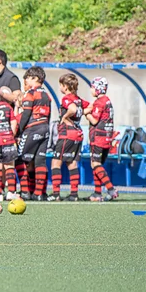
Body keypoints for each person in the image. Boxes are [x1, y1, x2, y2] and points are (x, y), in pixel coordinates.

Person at [16, 67, 52, 201]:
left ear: (35, 78)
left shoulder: (31, 93)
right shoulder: (47, 95)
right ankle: (38, 193)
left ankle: (25, 191)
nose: (26, 81)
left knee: (20, 159)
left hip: (32, 129)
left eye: (28, 78)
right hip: (45, 128)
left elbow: (26, 114)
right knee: (39, 161)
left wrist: (19, 131)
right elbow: (49, 114)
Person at [50, 74, 86, 202]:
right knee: (72, 163)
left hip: (67, 134)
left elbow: (72, 109)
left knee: (56, 162)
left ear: (65, 87)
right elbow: (90, 107)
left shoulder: (67, 98)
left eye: (61, 85)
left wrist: (65, 117)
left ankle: (55, 194)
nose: (60, 87)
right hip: (77, 134)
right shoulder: (79, 99)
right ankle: (74, 194)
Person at [85, 76, 119, 202]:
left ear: (98, 89)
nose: (91, 89)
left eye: (92, 87)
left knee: (95, 164)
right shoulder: (107, 101)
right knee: (96, 165)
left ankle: (111, 189)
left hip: (98, 138)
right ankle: (97, 193)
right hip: (107, 138)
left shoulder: (99, 102)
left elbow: (94, 120)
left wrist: (86, 114)